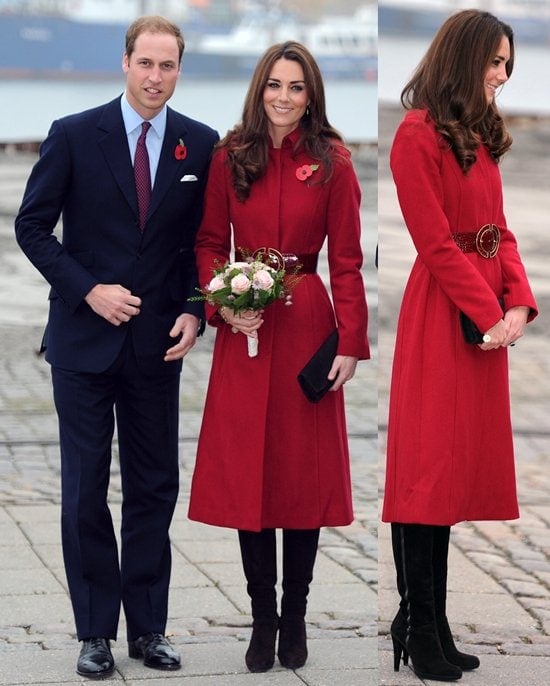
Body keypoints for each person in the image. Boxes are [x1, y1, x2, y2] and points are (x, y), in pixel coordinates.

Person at [15, 15, 219, 679]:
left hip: (157, 345)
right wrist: (88, 290)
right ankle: (94, 633)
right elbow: (33, 227)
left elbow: (202, 245)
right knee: (83, 493)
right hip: (81, 343)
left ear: (179, 69)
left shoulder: (200, 143)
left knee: (154, 487)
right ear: (125, 62)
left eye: (168, 66)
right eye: (146, 64)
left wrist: (196, 312)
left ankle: (149, 629)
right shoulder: (74, 135)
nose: (156, 77)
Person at [187, 41, 369, 672]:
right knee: (251, 478)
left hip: (308, 326)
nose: (284, 97)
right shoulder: (230, 155)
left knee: (301, 477)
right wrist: (221, 304)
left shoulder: (335, 162)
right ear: (259, 88)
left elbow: (347, 259)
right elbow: (210, 241)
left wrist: (351, 341)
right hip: (247, 325)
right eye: (274, 84)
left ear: (311, 95)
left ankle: (296, 620)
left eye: (296, 87)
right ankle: (260, 621)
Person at [381, 9, 538, 682]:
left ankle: (426, 621)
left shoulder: (477, 132)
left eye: (508, 64)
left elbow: (498, 231)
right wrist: (484, 313)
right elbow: (435, 242)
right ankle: (419, 626)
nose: (501, 75)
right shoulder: (415, 136)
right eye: (494, 62)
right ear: (463, 58)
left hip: (483, 314)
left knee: (452, 471)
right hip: (441, 313)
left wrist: (520, 303)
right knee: (427, 470)